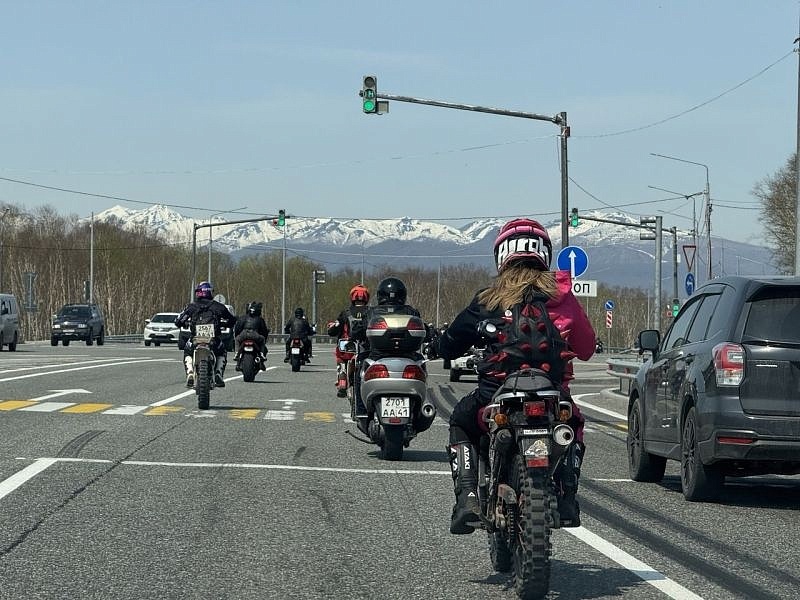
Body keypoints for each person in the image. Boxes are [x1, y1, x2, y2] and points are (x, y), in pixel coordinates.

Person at [439, 218, 595, 535]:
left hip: (495, 398)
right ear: (544, 254)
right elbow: (588, 348)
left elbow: (450, 345)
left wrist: (441, 345)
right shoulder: (564, 298)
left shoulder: (489, 299)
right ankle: (566, 495)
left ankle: (468, 496)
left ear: (502, 255)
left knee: (461, 421)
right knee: (574, 425)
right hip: (552, 397)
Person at [350, 277, 425, 416]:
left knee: (359, 367)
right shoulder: (412, 312)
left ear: (380, 295)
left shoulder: (371, 312)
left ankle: (361, 410)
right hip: (409, 357)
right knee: (422, 366)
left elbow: (356, 332)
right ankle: (422, 409)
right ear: (402, 295)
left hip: (376, 356)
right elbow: (426, 331)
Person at [175, 281, 237, 388]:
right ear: (210, 292)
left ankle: (190, 372)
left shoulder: (191, 306)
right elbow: (232, 320)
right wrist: (225, 324)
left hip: (195, 338)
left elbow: (179, 321)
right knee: (222, 352)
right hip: (213, 339)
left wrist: (184, 323)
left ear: (198, 292)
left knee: (188, 351)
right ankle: (218, 373)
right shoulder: (218, 306)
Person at [327, 284, 370, 397]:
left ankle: (342, 381)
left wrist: (331, 328)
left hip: (347, 348)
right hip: (365, 348)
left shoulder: (346, 313)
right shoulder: (371, 312)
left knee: (340, 358)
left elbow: (334, 330)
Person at [234, 301, 271, 371]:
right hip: (255, 335)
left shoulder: (242, 318)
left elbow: (237, 329)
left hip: (244, 334)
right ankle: (261, 355)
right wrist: (264, 337)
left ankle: (236, 354)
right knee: (262, 339)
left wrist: (238, 336)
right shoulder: (260, 319)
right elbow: (264, 331)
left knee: (237, 339)